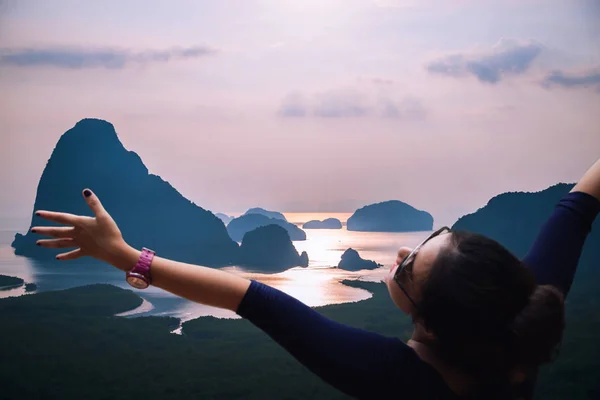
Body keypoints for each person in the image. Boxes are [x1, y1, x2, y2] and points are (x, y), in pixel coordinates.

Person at [32, 158, 600, 399]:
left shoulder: (393, 379)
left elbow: (251, 298)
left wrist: (121, 254)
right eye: (432, 235)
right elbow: (579, 205)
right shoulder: (519, 310)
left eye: (409, 264)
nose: (401, 250)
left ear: (427, 321)